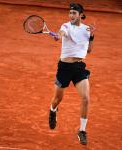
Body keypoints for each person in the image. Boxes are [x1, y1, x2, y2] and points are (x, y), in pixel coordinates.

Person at [48, 3, 95, 145]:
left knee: (86, 98)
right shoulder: (66, 26)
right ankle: (52, 110)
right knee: (57, 99)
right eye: (70, 13)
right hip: (64, 68)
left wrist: (92, 36)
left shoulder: (86, 29)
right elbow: (61, 33)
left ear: (81, 14)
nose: (71, 16)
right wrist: (58, 35)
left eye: (74, 13)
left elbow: (89, 50)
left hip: (79, 68)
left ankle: (82, 131)